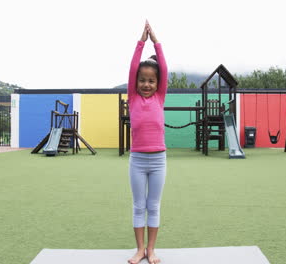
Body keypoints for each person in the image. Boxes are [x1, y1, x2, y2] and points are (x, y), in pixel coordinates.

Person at [127, 21, 168, 264]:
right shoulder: (133, 97)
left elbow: (163, 67)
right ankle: (139, 249)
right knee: (138, 205)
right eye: (142, 80)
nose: (146, 84)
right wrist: (141, 43)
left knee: (153, 205)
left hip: (159, 160)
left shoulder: (160, 96)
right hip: (138, 160)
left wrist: (156, 42)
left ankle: (151, 250)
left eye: (151, 81)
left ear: (158, 83)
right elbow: (133, 68)